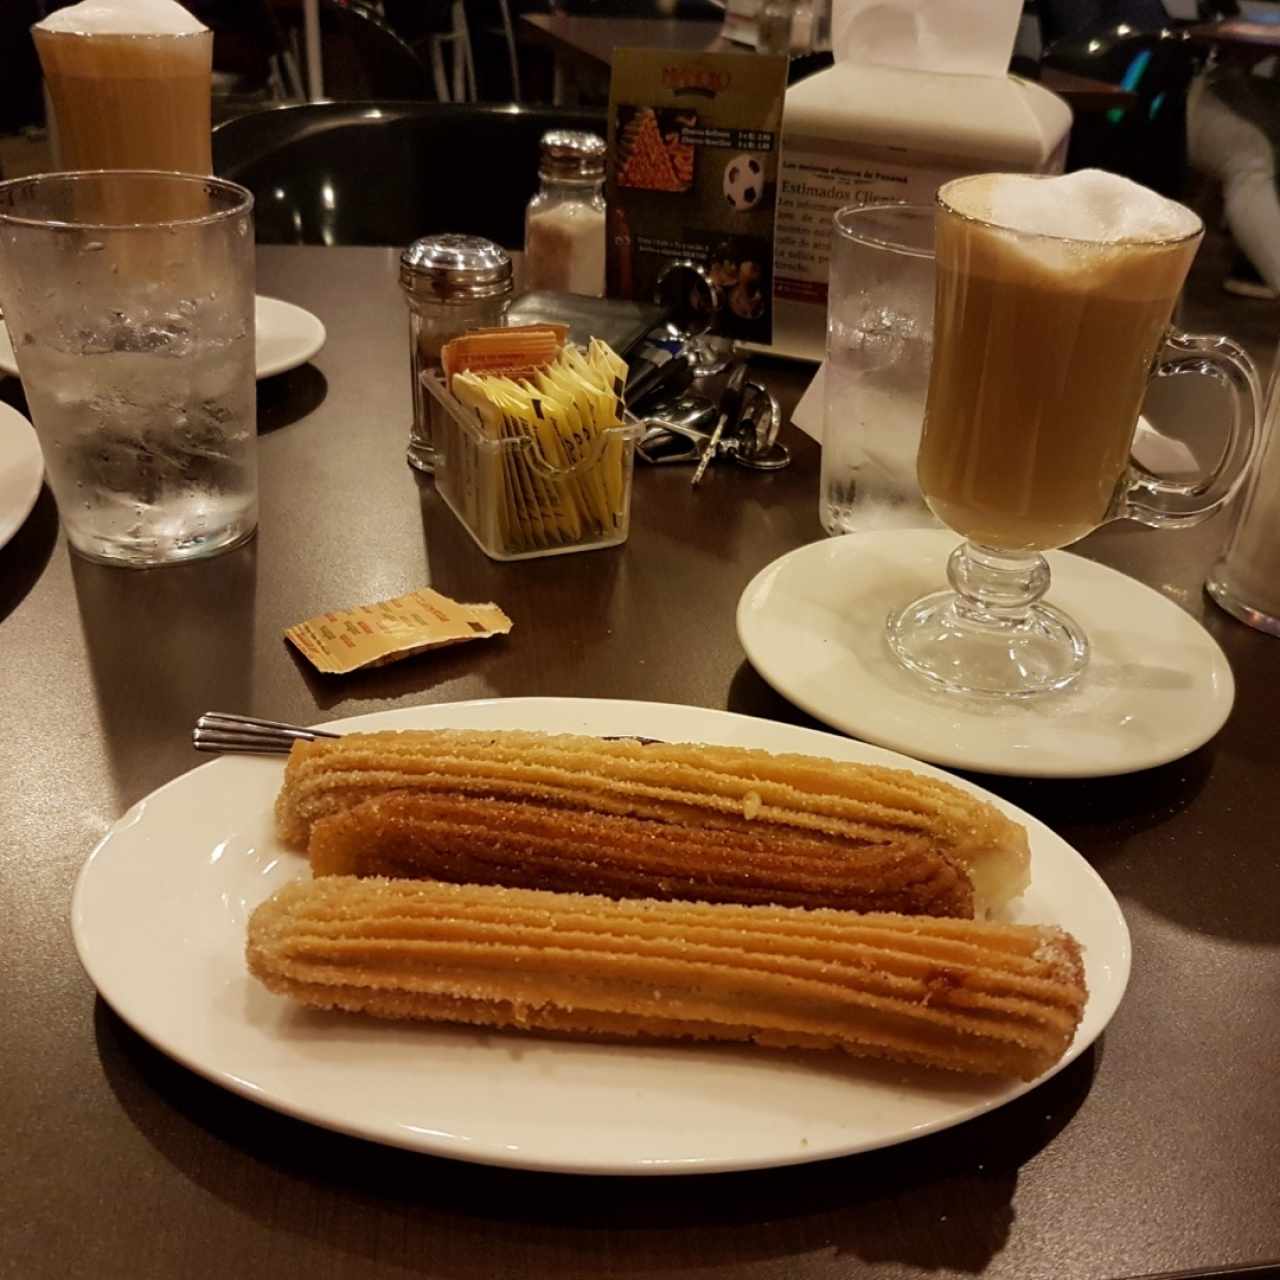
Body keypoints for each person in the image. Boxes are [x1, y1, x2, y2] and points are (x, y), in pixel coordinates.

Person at [1186, 2, 1280, 299]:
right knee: (1250, 152)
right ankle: (1256, 263)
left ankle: (1249, 259)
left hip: (1196, 70)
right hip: (1161, 90)